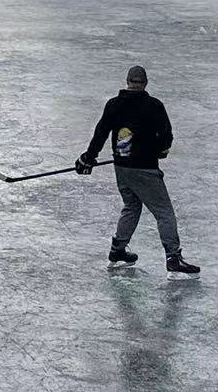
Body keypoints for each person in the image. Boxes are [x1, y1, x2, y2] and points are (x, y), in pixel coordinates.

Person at [75, 65, 199, 274]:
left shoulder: (113, 104)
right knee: (164, 212)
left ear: (127, 81)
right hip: (145, 169)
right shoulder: (154, 106)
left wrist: (88, 158)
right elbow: (166, 136)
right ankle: (173, 257)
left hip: (122, 167)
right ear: (145, 83)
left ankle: (118, 250)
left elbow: (101, 133)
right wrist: (161, 151)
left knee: (132, 206)